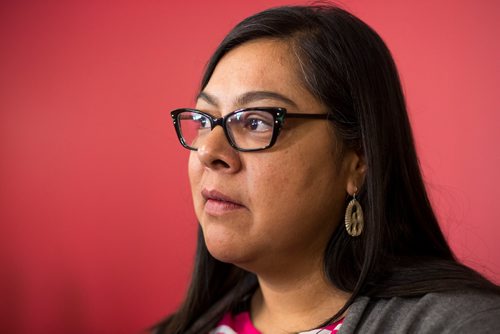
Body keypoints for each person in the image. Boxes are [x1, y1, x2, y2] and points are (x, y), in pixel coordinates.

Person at [154, 4, 500, 333]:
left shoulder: (463, 324)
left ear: (359, 160)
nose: (209, 151)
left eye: (256, 122)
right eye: (204, 120)